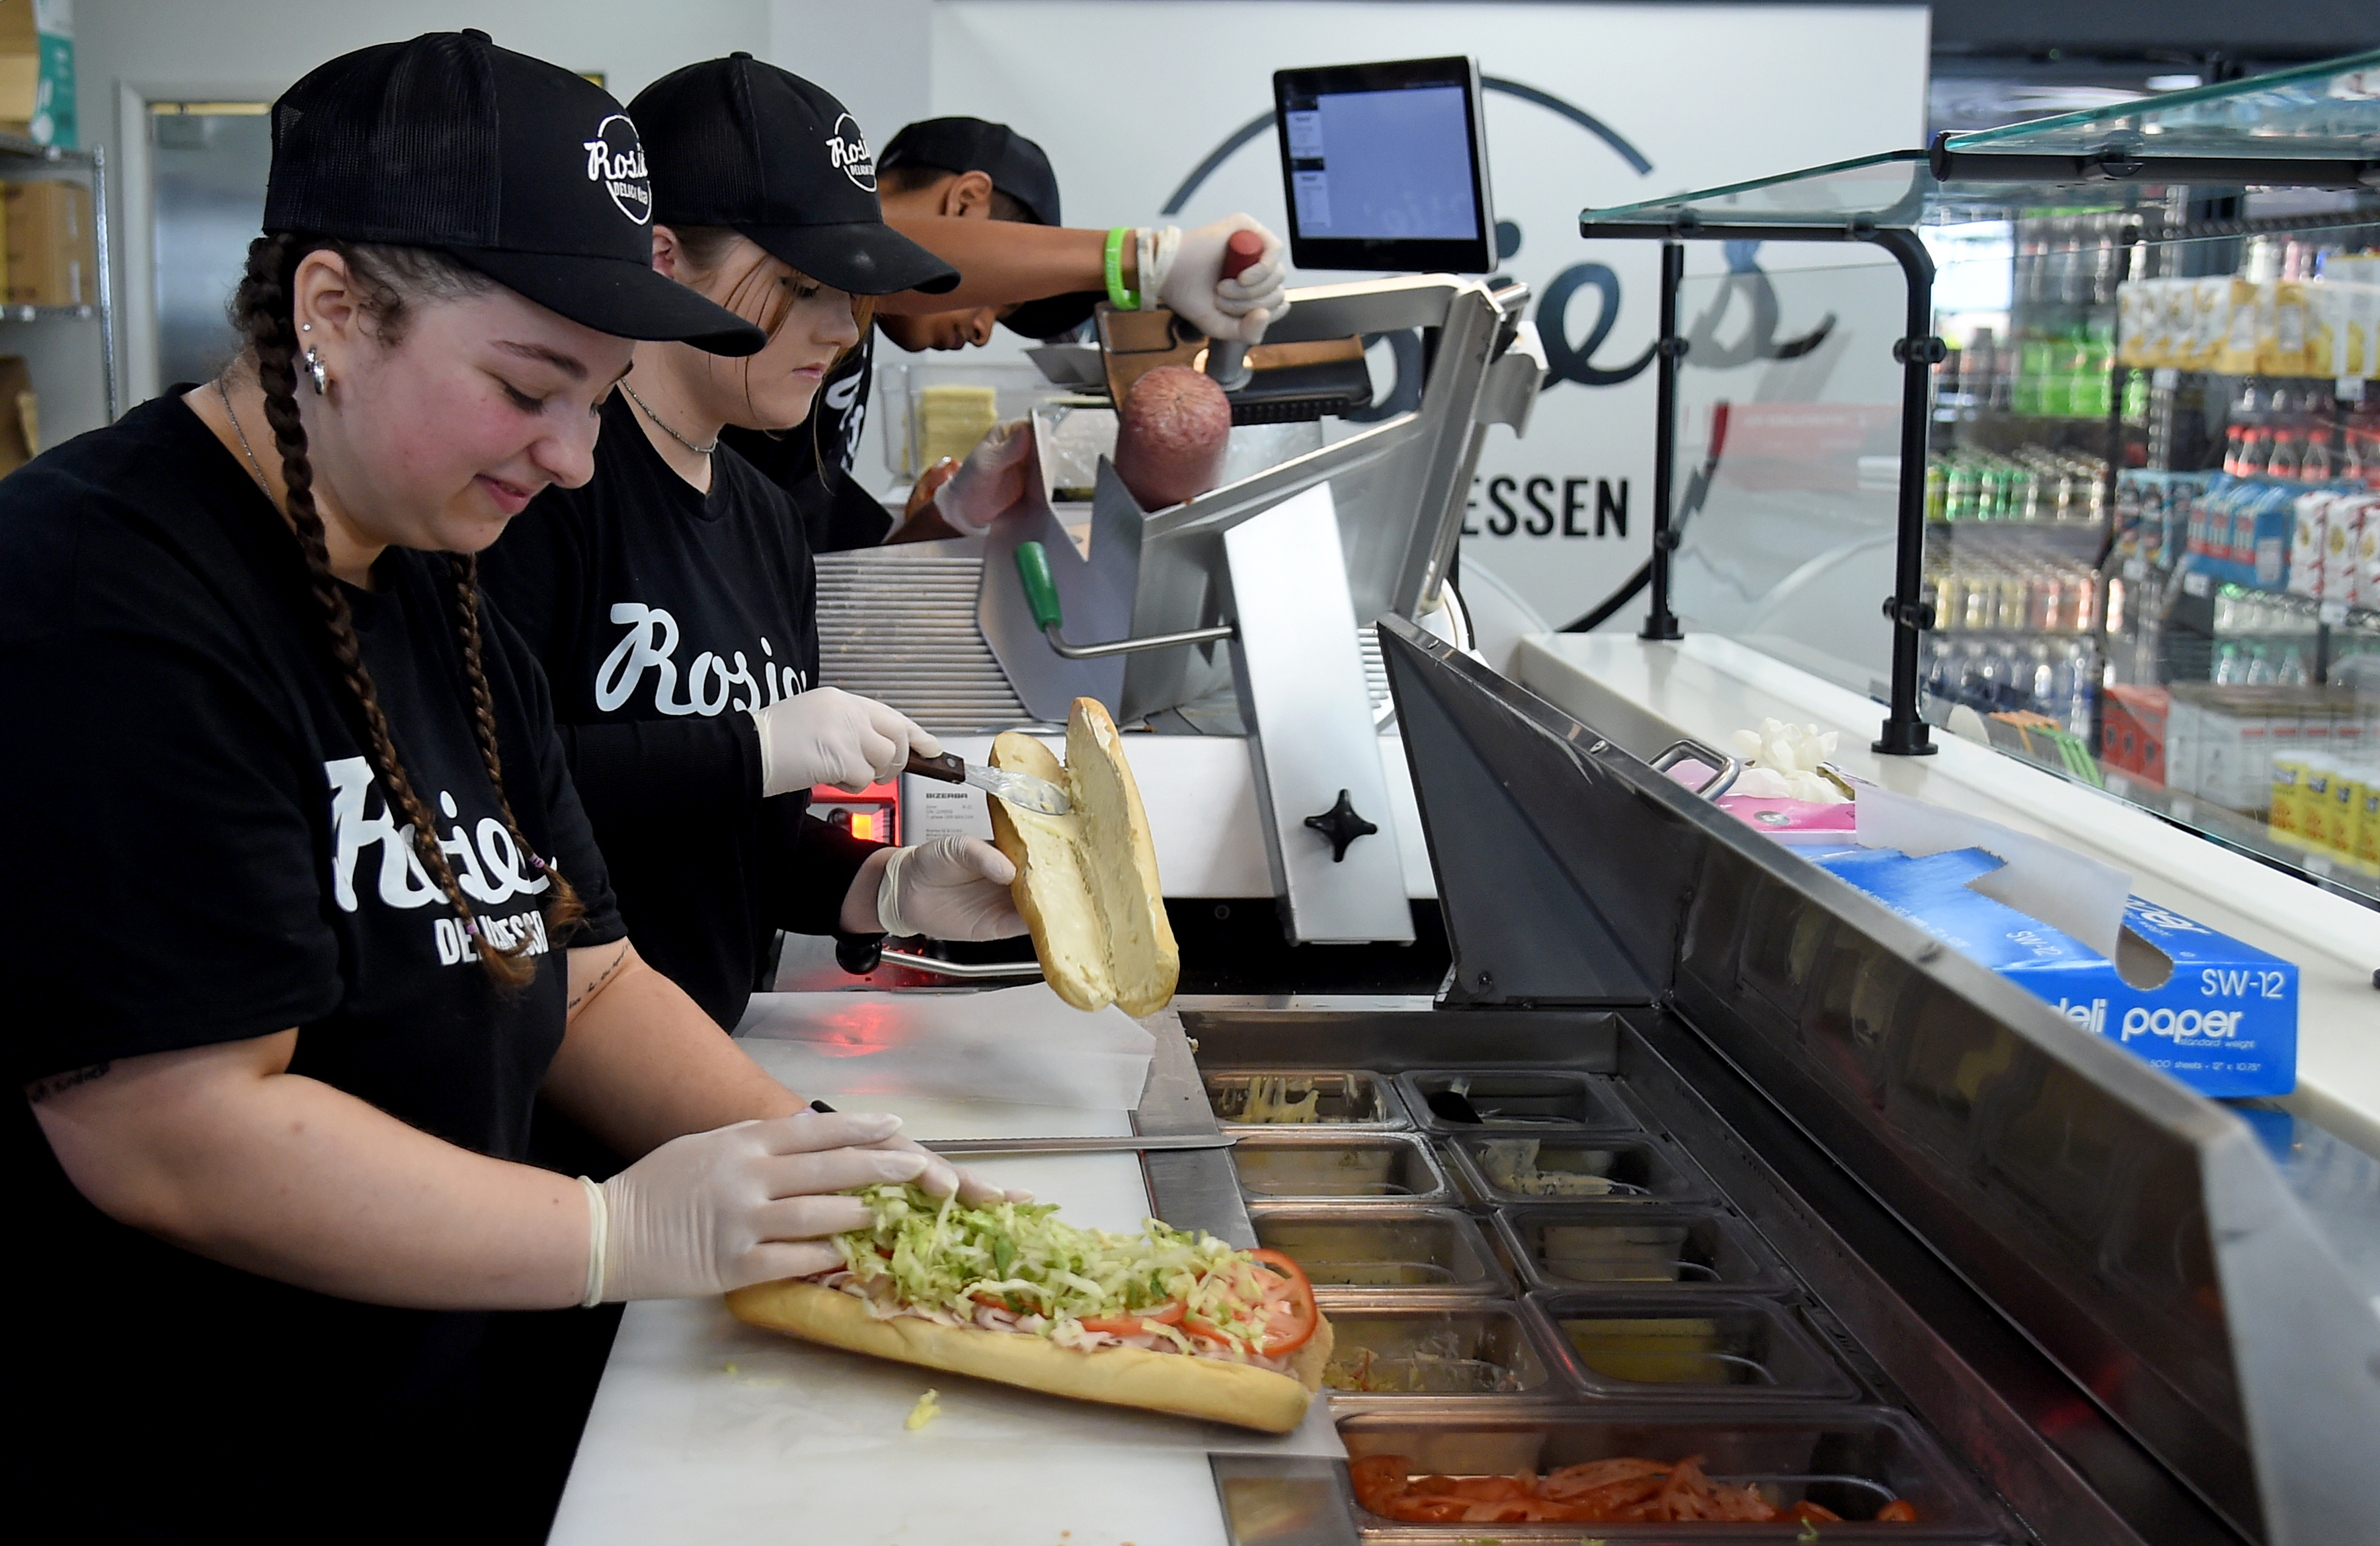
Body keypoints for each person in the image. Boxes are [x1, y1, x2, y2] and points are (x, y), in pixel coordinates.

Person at [6, 34, 1004, 1534]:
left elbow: (583, 977)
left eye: (600, 397)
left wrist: (813, 1159)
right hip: (191, 1446)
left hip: (431, 1415)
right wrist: (610, 1229)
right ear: (329, 307)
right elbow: (175, 1133)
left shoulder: (431, 579)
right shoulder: (102, 587)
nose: (576, 458)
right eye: (530, 387)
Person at [481, 56, 1033, 1046]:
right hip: (549, 1077)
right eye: (798, 285)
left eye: (851, 294)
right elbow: (488, 785)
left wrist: (880, 888)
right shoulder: (541, 488)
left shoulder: (770, 518)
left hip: (702, 1064)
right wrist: (754, 745)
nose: (841, 331)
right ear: (661, 260)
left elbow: (738, 838)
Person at [721, 118, 1292, 551]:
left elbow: (819, 566)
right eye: (999, 298)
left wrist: (948, 515)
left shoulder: (853, 332)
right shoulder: (789, 262)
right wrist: (1144, 260)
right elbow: (860, 249)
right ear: (967, 199)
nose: (982, 329)